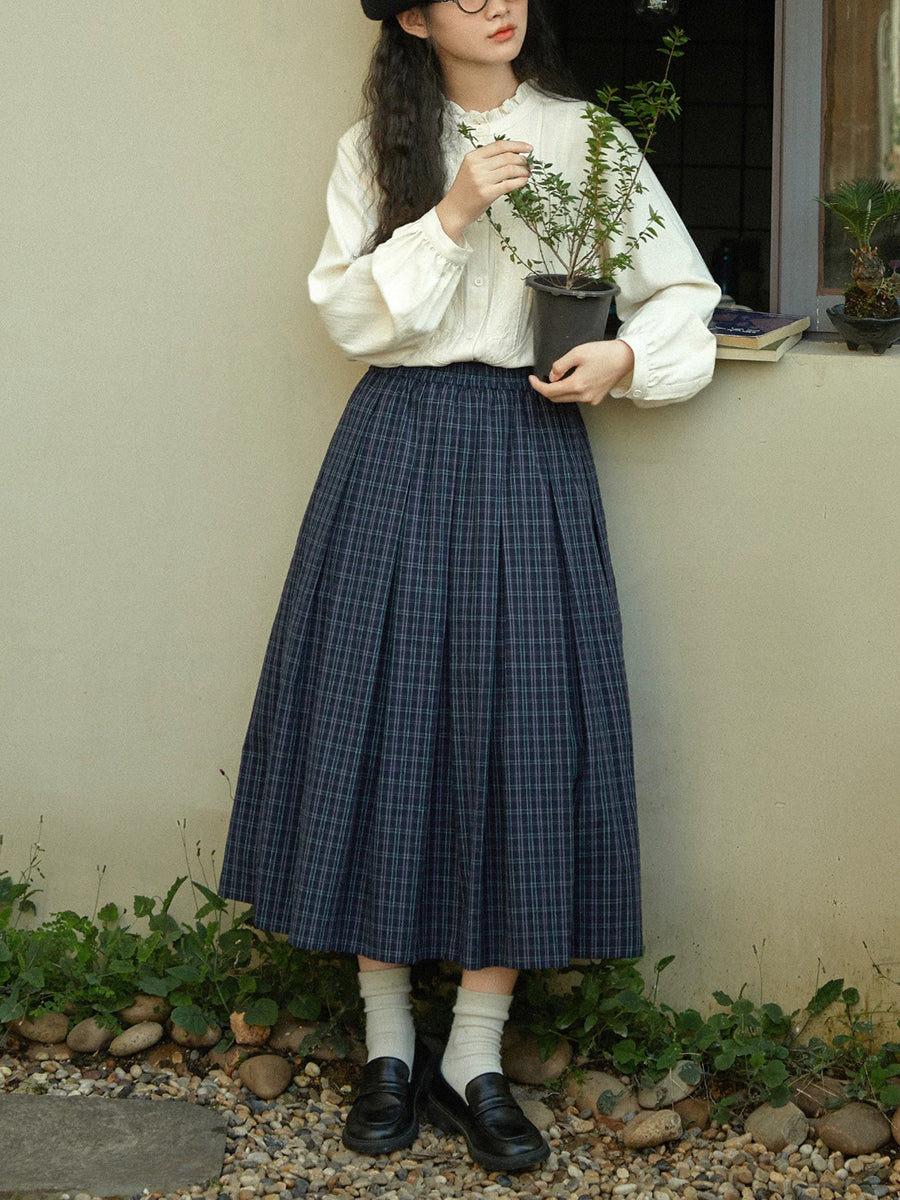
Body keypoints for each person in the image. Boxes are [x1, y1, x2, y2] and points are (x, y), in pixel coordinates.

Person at [218, 0, 719, 1175]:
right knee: (381, 723)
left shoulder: (586, 139)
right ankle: (389, 1044)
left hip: (528, 447)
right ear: (411, 14)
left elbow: (684, 292)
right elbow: (347, 312)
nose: (495, 1)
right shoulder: (376, 146)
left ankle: (474, 1056)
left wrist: (626, 355)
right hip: (395, 444)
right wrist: (449, 211)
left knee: (520, 736)